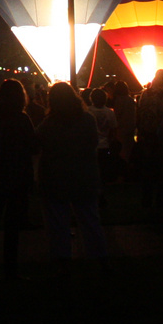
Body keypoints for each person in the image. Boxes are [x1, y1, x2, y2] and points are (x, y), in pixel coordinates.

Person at [35, 83, 106, 273]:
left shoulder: (48, 125)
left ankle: (61, 260)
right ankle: (98, 258)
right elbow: (93, 144)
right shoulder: (87, 120)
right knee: (90, 219)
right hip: (83, 176)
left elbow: (38, 146)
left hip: (56, 178)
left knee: (58, 223)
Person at [0, 79, 35, 280]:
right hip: (15, 176)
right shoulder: (21, 119)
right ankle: (10, 269)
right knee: (12, 227)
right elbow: (32, 146)